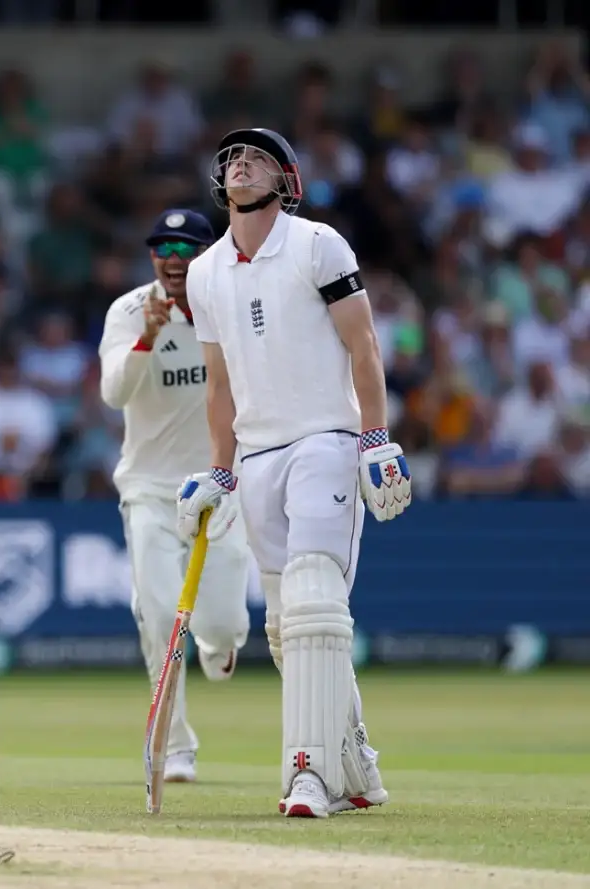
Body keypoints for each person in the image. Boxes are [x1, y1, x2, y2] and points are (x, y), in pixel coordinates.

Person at [176, 128, 412, 818]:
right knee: (290, 627)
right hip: (257, 454)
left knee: (313, 597)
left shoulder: (317, 244)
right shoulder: (205, 272)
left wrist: (375, 438)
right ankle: (356, 758)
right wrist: (220, 473)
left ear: (286, 180)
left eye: (256, 158)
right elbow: (217, 385)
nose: (240, 164)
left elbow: (362, 343)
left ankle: (307, 774)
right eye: (232, 158)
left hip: (326, 439)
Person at [98, 208, 253, 784]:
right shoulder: (129, 311)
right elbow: (114, 393)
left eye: (186, 248)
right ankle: (177, 746)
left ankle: (220, 645)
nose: (172, 258)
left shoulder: (231, 307)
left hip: (218, 482)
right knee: (159, 613)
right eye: (162, 248)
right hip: (149, 489)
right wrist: (148, 335)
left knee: (219, 625)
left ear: (208, 255)